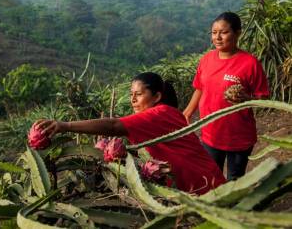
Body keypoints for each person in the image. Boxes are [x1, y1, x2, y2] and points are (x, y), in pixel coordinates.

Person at [35, 72, 226, 195]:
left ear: (157, 96)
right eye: (131, 94)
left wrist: (65, 126)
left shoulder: (157, 114)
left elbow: (114, 126)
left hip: (200, 186)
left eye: (139, 94)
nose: (133, 99)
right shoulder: (170, 112)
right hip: (208, 180)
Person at [183, 12, 269, 180]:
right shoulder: (206, 59)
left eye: (224, 32)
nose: (218, 37)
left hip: (238, 136)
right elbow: (200, 88)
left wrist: (246, 98)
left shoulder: (250, 63)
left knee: (234, 180)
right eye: (214, 33)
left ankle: (233, 206)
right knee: (211, 177)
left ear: (237, 33)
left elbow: (263, 99)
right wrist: (187, 113)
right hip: (210, 133)